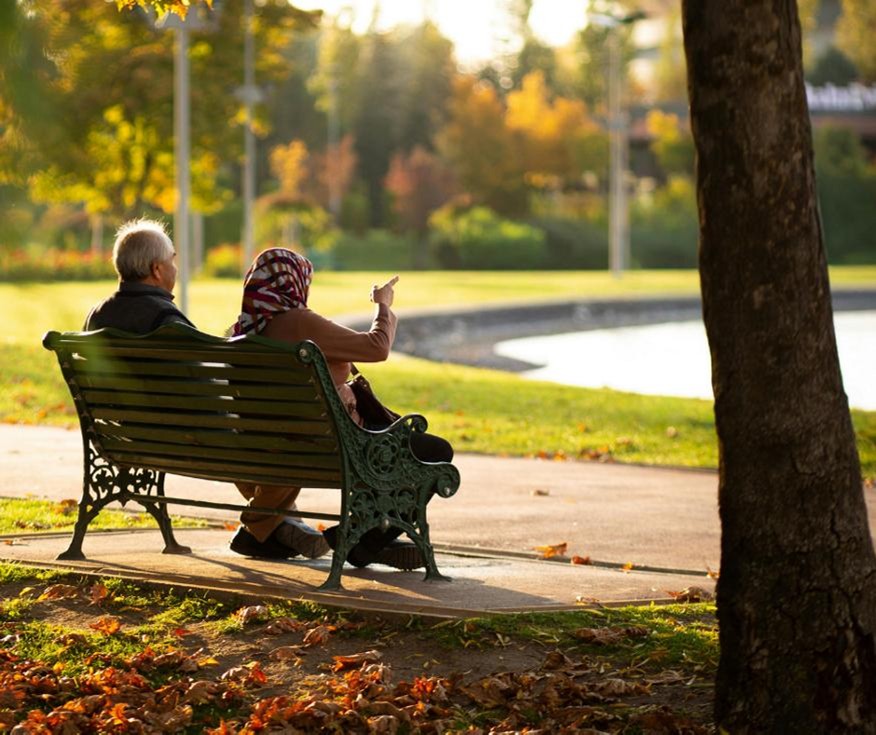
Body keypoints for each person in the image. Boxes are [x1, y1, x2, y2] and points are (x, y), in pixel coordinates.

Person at [83, 219, 330, 561]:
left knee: (252, 437)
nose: (175, 266)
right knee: (287, 434)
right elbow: (205, 394)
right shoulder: (166, 322)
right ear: (156, 270)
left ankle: (280, 527)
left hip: (121, 437)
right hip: (188, 439)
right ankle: (263, 526)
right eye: (172, 259)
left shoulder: (96, 317)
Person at [230, 247, 454, 571]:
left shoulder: (242, 333)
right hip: (336, 446)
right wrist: (384, 305)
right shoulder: (298, 323)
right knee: (434, 451)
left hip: (275, 449)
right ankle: (366, 539)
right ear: (293, 283)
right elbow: (376, 347)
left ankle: (370, 537)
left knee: (412, 446)